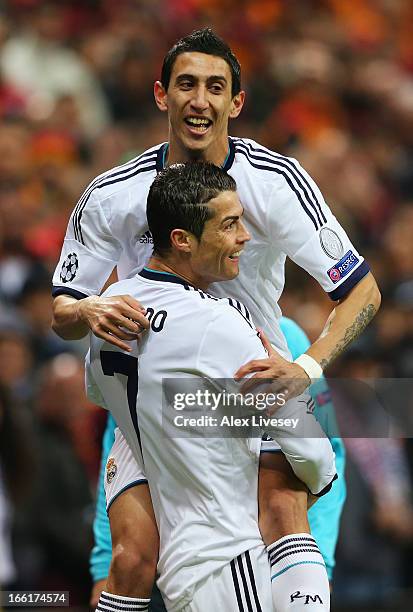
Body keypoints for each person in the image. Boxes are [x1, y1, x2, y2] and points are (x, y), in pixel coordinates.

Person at [51, 28, 380, 612]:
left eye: (214, 87)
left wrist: (306, 366)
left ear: (236, 102)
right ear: (161, 95)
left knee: (279, 507)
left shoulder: (273, 181)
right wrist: (87, 307)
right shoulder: (113, 194)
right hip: (145, 395)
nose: (199, 100)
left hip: (245, 377)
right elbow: (63, 311)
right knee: (131, 558)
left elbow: (362, 293)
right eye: (186, 85)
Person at [86, 161, 336, 611]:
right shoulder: (218, 322)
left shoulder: (108, 314)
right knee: (290, 495)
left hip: (182, 570)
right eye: (230, 225)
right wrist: (322, 475)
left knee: (125, 565)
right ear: (182, 240)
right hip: (235, 560)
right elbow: (310, 447)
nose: (245, 237)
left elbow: (101, 393)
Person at [89, 316, 346, 607]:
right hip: (163, 560)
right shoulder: (146, 337)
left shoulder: (284, 335)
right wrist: (106, 564)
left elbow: (329, 449)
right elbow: (119, 455)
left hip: (255, 557)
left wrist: (316, 562)